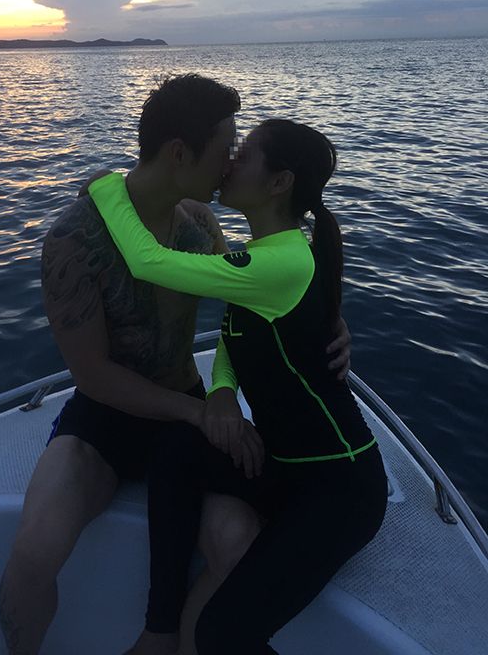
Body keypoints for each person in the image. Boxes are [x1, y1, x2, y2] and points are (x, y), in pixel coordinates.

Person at [0, 76, 353, 655]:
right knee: (33, 553)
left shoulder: (199, 223)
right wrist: (199, 411)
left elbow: (251, 299)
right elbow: (93, 376)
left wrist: (326, 321)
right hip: (107, 419)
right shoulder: (74, 240)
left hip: (186, 411)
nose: (231, 162)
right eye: (226, 148)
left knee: (237, 544)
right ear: (181, 153)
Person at [86, 118, 388, 655]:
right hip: (286, 465)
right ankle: (160, 629)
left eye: (243, 154)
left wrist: (108, 185)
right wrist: (222, 392)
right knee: (177, 449)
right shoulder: (272, 255)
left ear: (279, 183)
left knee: (222, 634)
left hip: (339, 490)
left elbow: (147, 261)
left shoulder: (278, 263)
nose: (230, 163)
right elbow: (236, 329)